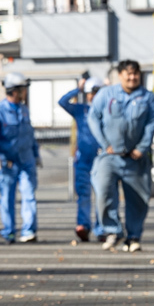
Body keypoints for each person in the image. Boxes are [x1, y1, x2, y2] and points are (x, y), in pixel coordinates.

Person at [88, 60, 154, 252]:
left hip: (136, 158)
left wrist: (142, 147)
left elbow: (153, 122)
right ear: (120, 75)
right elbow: (93, 117)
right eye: (128, 74)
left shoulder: (148, 98)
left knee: (138, 199)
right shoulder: (106, 94)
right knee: (103, 191)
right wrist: (105, 144)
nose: (132, 77)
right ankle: (113, 231)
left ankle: (133, 236)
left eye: (135, 74)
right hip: (109, 156)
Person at [0, 72, 41, 243]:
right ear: (14, 91)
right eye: (22, 89)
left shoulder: (24, 110)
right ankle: (9, 231)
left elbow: (30, 135)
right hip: (7, 163)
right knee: (7, 198)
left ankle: (28, 231)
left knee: (29, 194)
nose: (25, 93)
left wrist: (36, 154)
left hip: (26, 160)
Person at [58, 76, 105, 242]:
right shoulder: (80, 109)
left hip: (101, 159)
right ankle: (83, 226)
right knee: (83, 195)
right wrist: (77, 89)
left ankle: (102, 229)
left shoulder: (108, 109)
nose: (91, 96)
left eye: (95, 92)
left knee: (102, 195)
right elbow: (62, 102)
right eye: (89, 93)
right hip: (83, 160)